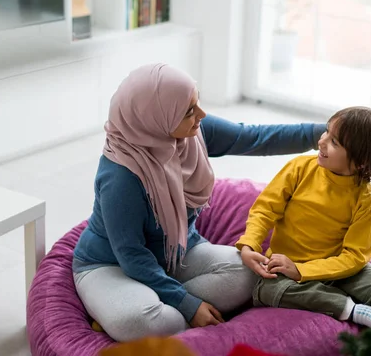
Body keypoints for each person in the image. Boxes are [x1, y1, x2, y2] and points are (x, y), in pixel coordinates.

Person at [72, 63, 327, 342]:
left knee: (249, 272)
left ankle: (151, 300)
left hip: (178, 253)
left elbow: (254, 137)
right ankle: (141, 305)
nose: (201, 115)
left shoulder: (193, 134)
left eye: (197, 103)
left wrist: (324, 133)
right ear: (158, 118)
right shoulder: (120, 175)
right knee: (151, 321)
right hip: (112, 265)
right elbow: (130, 254)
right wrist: (188, 304)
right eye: (189, 111)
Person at [236, 106, 371, 332]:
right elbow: (264, 209)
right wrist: (250, 244)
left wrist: (303, 270)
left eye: (334, 142)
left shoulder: (367, 201)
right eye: (326, 132)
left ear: (361, 162)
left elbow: (355, 257)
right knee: (268, 290)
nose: (321, 141)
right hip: (286, 270)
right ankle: (354, 310)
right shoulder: (299, 168)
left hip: (340, 271)